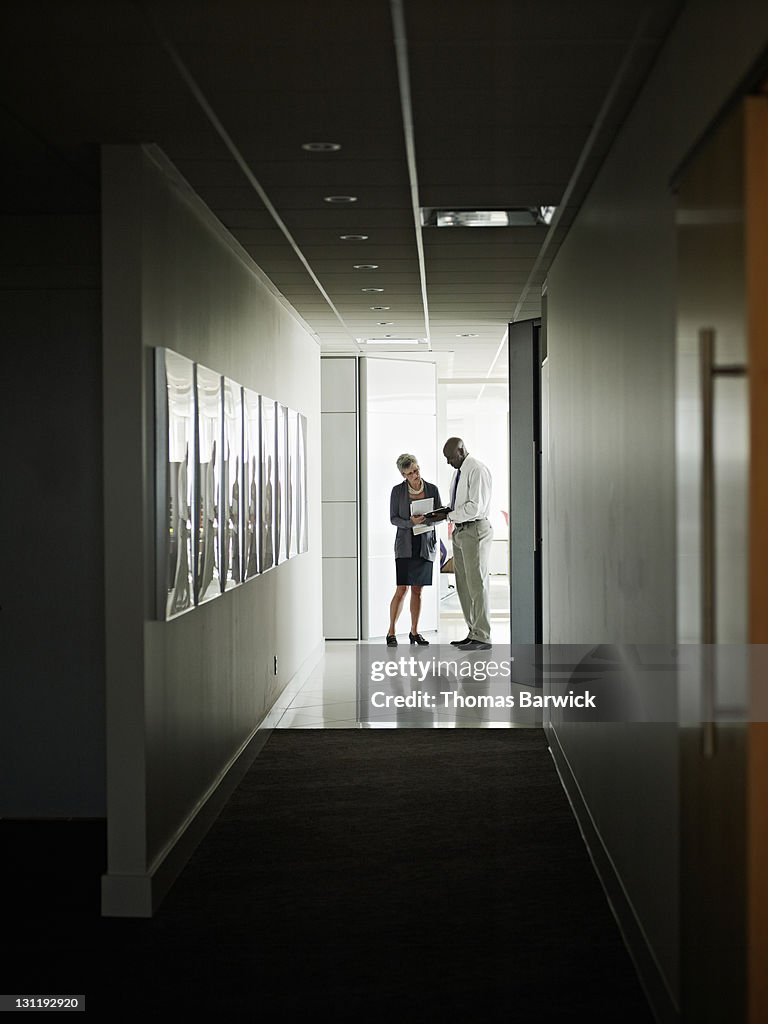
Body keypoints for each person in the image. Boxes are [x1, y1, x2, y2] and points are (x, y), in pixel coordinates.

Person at [440, 437, 493, 650]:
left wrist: (451, 514)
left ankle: (483, 635)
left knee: (477, 584)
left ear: (461, 451)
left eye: (450, 457)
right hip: (461, 531)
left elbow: (475, 507)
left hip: (475, 529)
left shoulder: (477, 470)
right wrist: (446, 512)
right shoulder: (458, 472)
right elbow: (460, 505)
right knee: (463, 584)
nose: (448, 462)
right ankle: (473, 632)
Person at [386, 454, 442, 646]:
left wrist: (428, 519)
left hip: (425, 545)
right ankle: (391, 631)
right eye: (410, 473)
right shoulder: (397, 492)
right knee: (402, 588)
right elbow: (393, 519)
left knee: (417, 591)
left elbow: (440, 516)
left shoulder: (432, 489)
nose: (415, 475)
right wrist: (411, 522)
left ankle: (414, 632)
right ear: (404, 475)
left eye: (416, 470)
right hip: (405, 546)